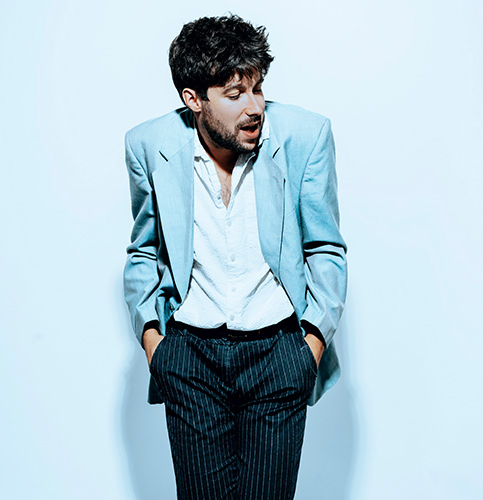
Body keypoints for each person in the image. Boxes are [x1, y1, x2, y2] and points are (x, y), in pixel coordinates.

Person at [123, 14, 347, 500]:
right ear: (194, 100)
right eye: (234, 94)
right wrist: (156, 346)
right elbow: (143, 249)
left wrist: (309, 347)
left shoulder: (305, 136)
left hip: (278, 355)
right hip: (190, 360)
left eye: (258, 88)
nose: (254, 107)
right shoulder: (149, 146)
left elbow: (325, 247)